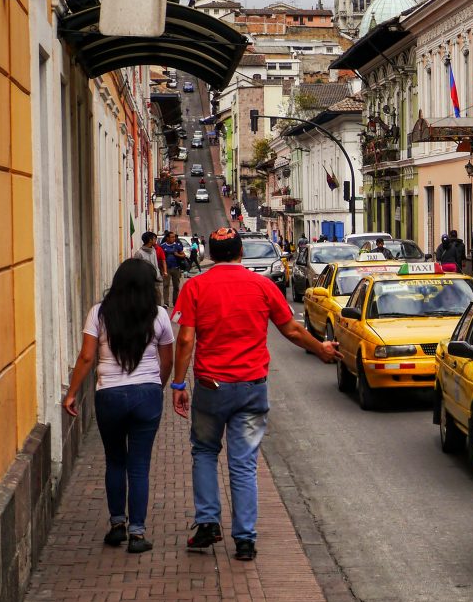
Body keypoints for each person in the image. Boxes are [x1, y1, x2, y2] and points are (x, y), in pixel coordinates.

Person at [170, 228, 341, 561]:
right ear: (239, 253)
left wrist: (178, 385)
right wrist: (320, 348)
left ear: (210, 253)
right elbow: (290, 328)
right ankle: (245, 539)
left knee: (205, 451)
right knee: (244, 463)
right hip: (251, 386)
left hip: (210, 386)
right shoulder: (261, 285)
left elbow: (186, 339)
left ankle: (207, 522)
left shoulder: (195, 287)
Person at [61, 259, 173, 554]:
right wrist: (156, 388)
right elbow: (167, 361)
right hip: (147, 394)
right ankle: (137, 534)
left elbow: (87, 357)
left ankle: (116, 526)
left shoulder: (99, 313)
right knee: (139, 466)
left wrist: (72, 393)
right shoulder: (160, 316)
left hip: (109, 394)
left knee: (114, 461)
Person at [159, 232, 186, 307]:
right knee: (166, 285)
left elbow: (183, 255)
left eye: (174, 237)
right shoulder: (162, 246)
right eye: (172, 237)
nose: (174, 238)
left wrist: (178, 255)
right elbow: (160, 258)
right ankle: (166, 303)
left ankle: (175, 302)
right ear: (167, 238)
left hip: (176, 268)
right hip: (166, 268)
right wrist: (161, 269)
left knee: (176, 286)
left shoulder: (177, 246)